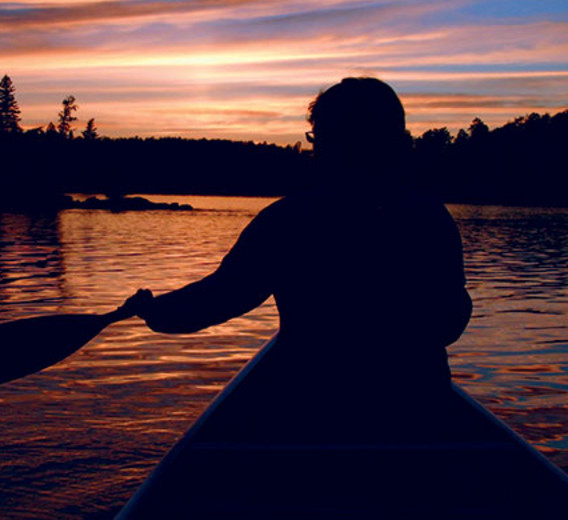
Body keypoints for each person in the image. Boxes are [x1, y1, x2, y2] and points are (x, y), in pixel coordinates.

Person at [123, 78, 472, 431]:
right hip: (417, 415)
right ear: (396, 144)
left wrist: (155, 313)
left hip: (314, 415)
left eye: (318, 137)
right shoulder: (430, 218)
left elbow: (220, 298)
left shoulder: (290, 221)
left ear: (331, 144)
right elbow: (451, 322)